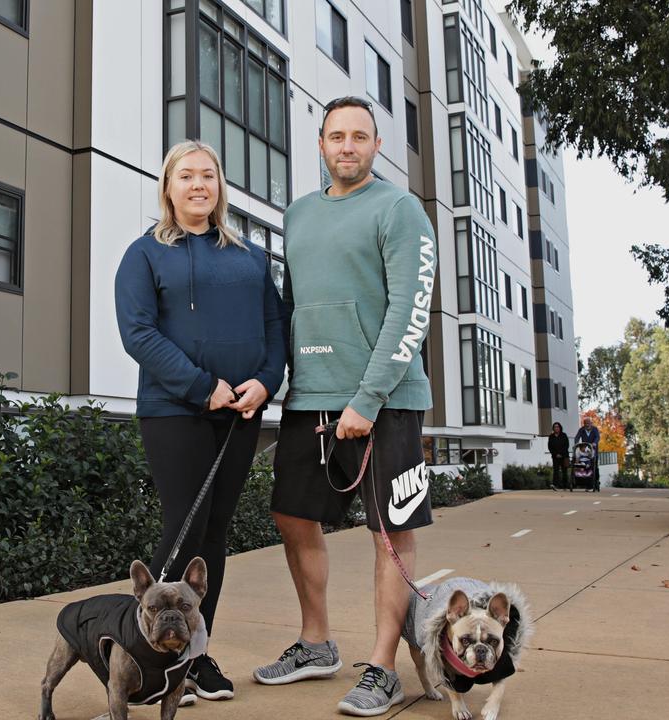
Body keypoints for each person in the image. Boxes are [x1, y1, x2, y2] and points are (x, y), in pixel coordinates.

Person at [251, 96, 437, 717]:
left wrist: (369, 396)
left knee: (390, 531)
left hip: (386, 402)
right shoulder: (297, 215)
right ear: (322, 144)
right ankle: (315, 643)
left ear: (376, 145)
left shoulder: (399, 209)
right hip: (311, 399)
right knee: (291, 516)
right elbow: (291, 304)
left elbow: (411, 310)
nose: (347, 146)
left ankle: (382, 666)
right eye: (336, 136)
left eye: (360, 136)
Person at [115, 139, 287, 703]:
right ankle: (152, 658)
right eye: (185, 175)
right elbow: (138, 334)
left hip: (240, 414)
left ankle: (194, 656)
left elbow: (275, 328)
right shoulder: (144, 254)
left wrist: (266, 381)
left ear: (220, 187)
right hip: (175, 411)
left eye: (207, 175)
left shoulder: (251, 257)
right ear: (168, 187)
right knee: (184, 528)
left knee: (212, 536)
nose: (197, 185)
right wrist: (201, 387)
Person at [574, 416, 601, 492]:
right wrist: (577, 444)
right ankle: (589, 485)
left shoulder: (595, 429)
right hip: (584, 451)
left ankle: (596, 481)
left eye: (588, 423)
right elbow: (577, 437)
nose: (587, 425)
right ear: (584, 424)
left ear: (591, 423)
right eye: (585, 423)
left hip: (593, 451)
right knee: (587, 467)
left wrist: (594, 443)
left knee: (594, 467)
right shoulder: (581, 430)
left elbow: (597, 437)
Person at [548, 422, 570, 491]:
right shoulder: (551, 436)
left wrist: (561, 453)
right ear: (553, 428)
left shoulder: (564, 435)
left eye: (557, 427)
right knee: (556, 471)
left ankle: (565, 486)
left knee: (564, 471)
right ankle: (555, 485)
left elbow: (566, 445)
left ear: (560, 428)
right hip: (555, 456)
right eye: (555, 427)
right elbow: (550, 447)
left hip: (564, 456)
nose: (556, 428)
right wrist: (556, 454)